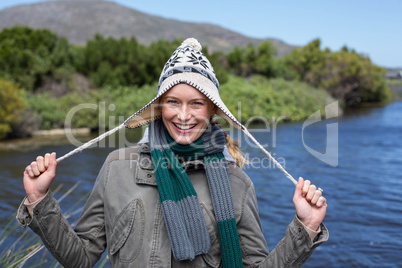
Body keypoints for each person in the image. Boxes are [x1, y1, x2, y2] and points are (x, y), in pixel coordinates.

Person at [17, 38, 328, 267]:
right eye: (173, 102)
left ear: (212, 111)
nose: (183, 115)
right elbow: (82, 258)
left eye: (196, 103)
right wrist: (39, 201)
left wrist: (306, 228)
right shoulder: (117, 168)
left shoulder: (237, 184)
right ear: (158, 108)